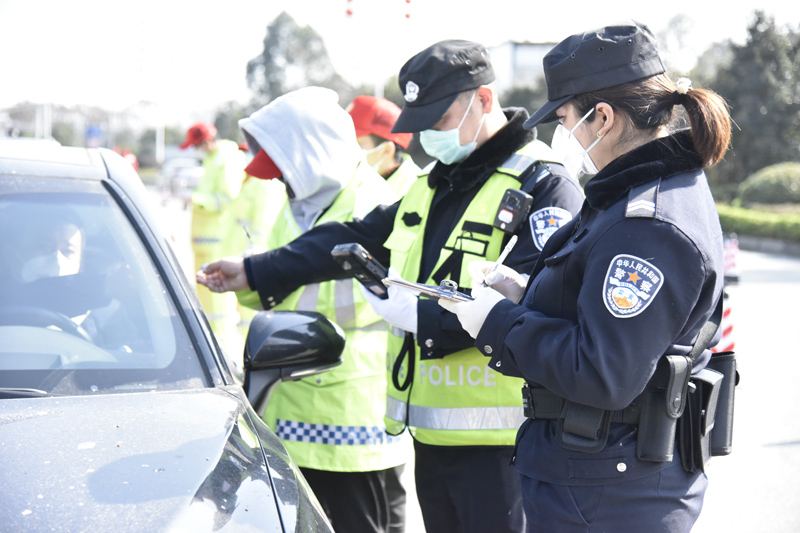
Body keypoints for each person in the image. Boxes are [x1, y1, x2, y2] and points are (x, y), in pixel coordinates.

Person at [198, 40, 585, 533]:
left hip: (505, 444)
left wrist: (422, 316)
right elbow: (350, 236)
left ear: (484, 100)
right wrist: (255, 271)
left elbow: (534, 300)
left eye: (439, 120)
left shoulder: (543, 185)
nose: (429, 135)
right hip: (432, 436)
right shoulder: (436, 184)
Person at [438, 22, 733, 532]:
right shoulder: (635, 194)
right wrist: (522, 294)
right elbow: (601, 313)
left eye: (563, 118)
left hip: (608, 497)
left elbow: (603, 372)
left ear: (602, 118)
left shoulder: (649, 224)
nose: (560, 133)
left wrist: (498, 323)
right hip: (598, 480)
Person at [223, 86, 411, 533]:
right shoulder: (297, 207)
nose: (281, 183)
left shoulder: (369, 208)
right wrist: (246, 279)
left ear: (311, 159)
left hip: (350, 417)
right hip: (291, 406)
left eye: (285, 172)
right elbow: (280, 286)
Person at [180, 122, 246, 355]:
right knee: (208, 302)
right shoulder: (213, 160)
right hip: (206, 241)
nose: (195, 150)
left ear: (205, 142)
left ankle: (225, 354)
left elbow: (227, 198)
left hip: (218, 240)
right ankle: (215, 349)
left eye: (196, 146)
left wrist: (195, 199)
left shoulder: (226, 159)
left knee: (219, 305)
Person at [347, 95, 422, 195]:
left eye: (357, 143)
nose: (347, 148)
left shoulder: (414, 191)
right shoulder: (351, 180)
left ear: (387, 150)